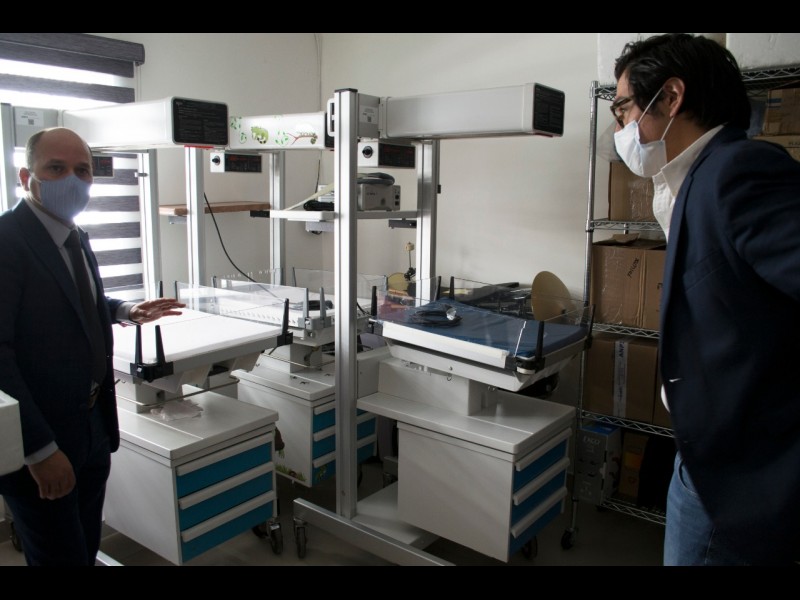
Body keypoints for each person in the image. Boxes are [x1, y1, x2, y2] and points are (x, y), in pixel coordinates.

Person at [611, 33, 800, 566]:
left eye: (624, 108)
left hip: (738, 465)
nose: (621, 127)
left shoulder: (737, 171)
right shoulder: (689, 181)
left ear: (671, 97)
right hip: (707, 451)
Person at [0, 127, 185, 566]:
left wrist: (124, 309)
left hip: (92, 427)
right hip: (43, 438)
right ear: (26, 177)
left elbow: (70, 299)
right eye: (56, 168)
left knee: (83, 548)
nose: (72, 180)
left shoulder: (73, 235)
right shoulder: (7, 241)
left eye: (82, 170)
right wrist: (40, 450)